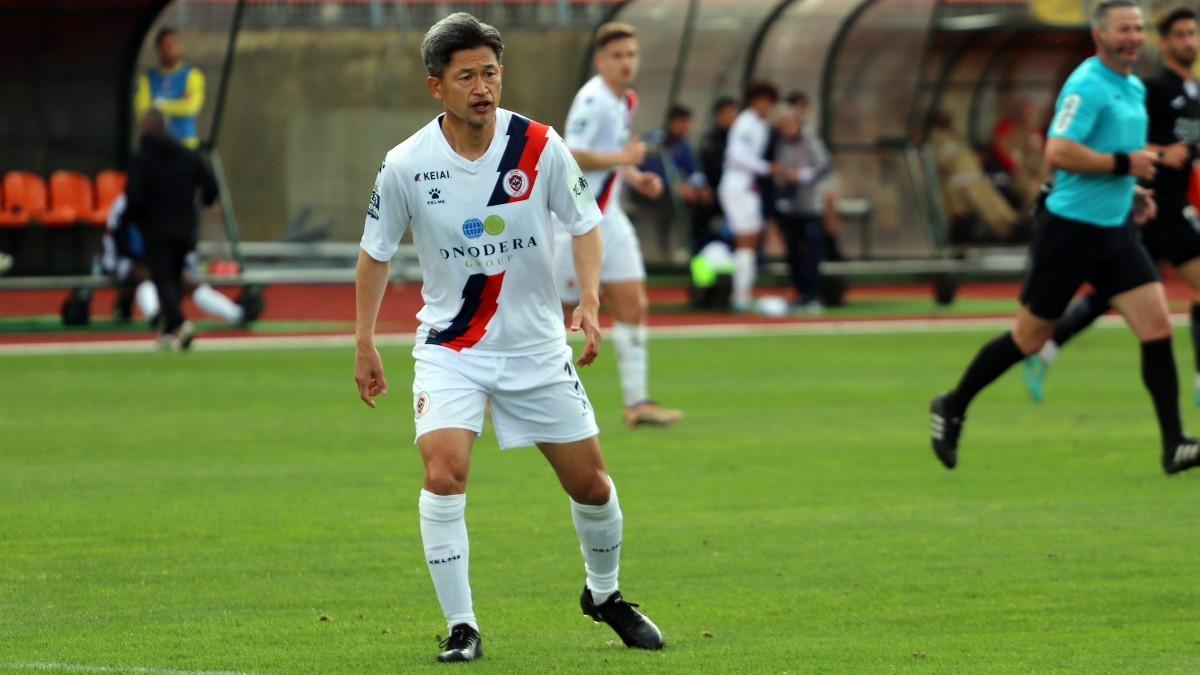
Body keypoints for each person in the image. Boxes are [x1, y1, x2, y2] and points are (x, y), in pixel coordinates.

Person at [353, 13, 664, 663]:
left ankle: (603, 593)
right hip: (452, 346)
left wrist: (589, 302)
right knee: (444, 472)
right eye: (465, 75)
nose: (482, 86)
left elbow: (584, 222)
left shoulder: (540, 146)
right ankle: (462, 624)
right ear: (436, 86)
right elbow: (375, 251)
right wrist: (364, 340)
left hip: (536, 349)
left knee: (594, 486)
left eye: (490, 72)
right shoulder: (406, 164)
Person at [929, 0, 1200, 476]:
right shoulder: (1086, 84)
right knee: (1029, 339)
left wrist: (1132, 189)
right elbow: (1058, 152)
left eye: (1138, 28)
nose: (1133, 37)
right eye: (1124, 29)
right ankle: (952, 403)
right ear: (1100, 35)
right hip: (1069, 233)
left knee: (1157, 326)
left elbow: (1111, 152)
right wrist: (1123, 166)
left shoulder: (1133, 86)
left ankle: (1174, 444)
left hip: (1115, 232)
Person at [1023, 6, 1200, 405]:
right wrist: (1158, 154)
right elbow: (1127, 143)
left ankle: (1047, 350)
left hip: (1153, 206)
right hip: (1158, 208)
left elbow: (1188, 146)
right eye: (1180, 35)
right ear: (1165, 42)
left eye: (1194, 34)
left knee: (1110, 293)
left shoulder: (1192, 94)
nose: (1189, 42)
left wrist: (1181, 152)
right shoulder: (1152, 89)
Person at [553, 22, 683, 429]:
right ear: (601, 61)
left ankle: (637, 403)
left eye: (631, 54)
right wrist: (623, 157)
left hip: (609, 215)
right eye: (618, 56)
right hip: (574, 217)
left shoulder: (625, 100)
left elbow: (612, 157)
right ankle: (502, 392)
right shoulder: (592, 99)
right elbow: (571, 153)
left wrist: (634, 174)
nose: (626, 62)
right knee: (549, 311)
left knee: (634, 303)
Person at [123, 109, 218, 349]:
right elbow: (211, 188)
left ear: (145, 129)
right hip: (186, 227)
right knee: (174, 278)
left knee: (161, 277)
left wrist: (134, 220)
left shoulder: (142, 159)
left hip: (156, 228)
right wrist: (198, 207)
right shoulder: (188, 154)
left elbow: (134, 197)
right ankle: (166, 333)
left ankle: (181, 324)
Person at [770, 92, 838, 312]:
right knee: (793, 253)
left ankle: (813, 295)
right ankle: (800, 293)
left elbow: (824, 166)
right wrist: (783, 176)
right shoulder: (781, 144)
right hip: (790, 206)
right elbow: (777, 171)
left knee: (812, 253)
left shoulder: (810, 139)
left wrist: (800, 175)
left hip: (810, 204)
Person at [718, 80, 778, 312]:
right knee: (745, 239)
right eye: (761, 101)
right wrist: (765, 168)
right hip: (737, 185)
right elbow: (736, 155)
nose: (765, 106)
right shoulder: (745, 122)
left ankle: (744, 291)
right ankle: (740, 295)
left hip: (749, 187)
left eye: (769, 102)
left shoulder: (762, 124)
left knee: (752, 241)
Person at [135, 27, 205, 150]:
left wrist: (158, 105)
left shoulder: (192, 76)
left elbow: (190, 107)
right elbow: (142, 113)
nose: (170, 48)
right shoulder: (147, 79)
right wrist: (178, 103)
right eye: (165, 45)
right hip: (157, 147)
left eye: (173, 43)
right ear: (158, 49)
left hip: (185, 144)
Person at [696, 96, 738, 250]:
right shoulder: (710, 140)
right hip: (714, 194)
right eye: (725, 113)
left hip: (738, 196)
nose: (729, 117)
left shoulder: (741, 139)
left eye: (732, 113)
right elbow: (703, 169)